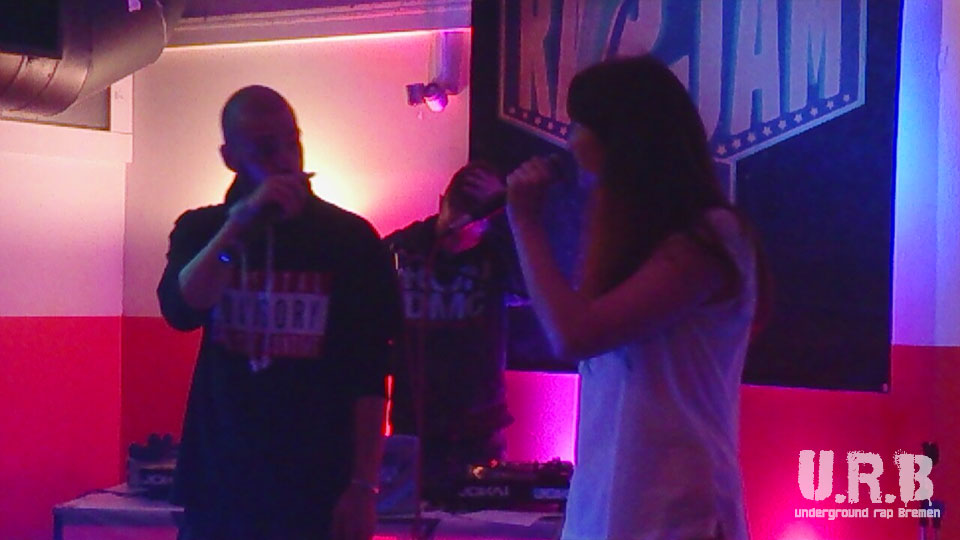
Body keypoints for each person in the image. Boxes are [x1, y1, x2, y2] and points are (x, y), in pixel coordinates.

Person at [505, 55, 768, 540]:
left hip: (677, 512)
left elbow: (574, 334)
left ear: (621, 137)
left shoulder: (713, 236)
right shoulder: (634, 242)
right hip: (606, 510)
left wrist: (525, 221)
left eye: (579, 125)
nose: (570, 142)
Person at [157, 85, 402, 540]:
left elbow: (370, 373)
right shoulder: (203, 229)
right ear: (231, 157)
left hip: (317, 485)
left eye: (292, 142)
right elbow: (182, 309)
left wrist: (363, 486)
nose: (285, 159)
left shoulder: (348, 239)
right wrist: (238, 228)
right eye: (266, 148)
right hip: (222, 482)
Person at [384, 162, 525, 502]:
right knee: (411, 514)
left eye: (474, 218)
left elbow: (536, 285)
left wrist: (508, 213)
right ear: (440, 202)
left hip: (479, 426)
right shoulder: (402, 250)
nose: (461, 229)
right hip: (415, 423)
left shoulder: (498, 256)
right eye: (455, 213)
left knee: (480, 517)